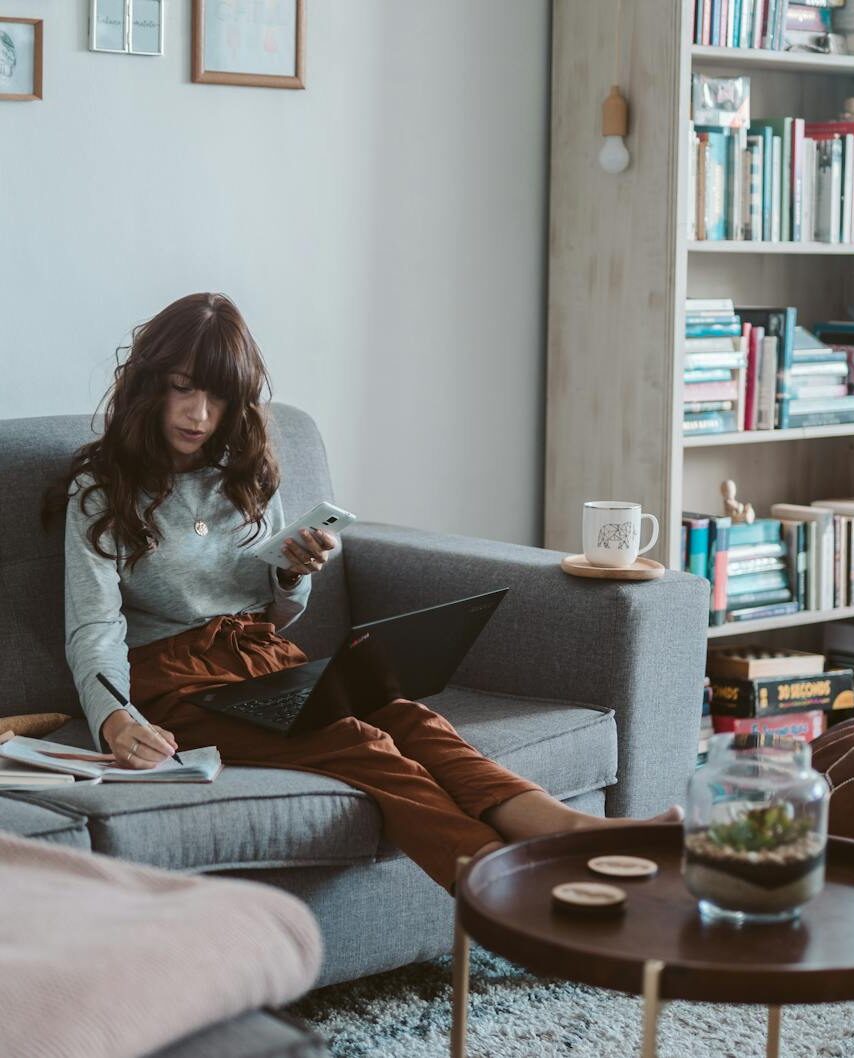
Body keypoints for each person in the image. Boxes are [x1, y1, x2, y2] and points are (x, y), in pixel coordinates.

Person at [48, 292, 680, 891]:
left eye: (218, 397)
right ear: (151, 384)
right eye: (182, 389)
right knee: (358, 743)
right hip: (176, 685)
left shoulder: (245, 475)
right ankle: (499, 882)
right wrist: (113, 718)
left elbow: (279, 612)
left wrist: (292, 573)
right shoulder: (101, 491)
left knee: (408, 716)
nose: (198, 416)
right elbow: (94, 626)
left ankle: (573, 832)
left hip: (263, 659)